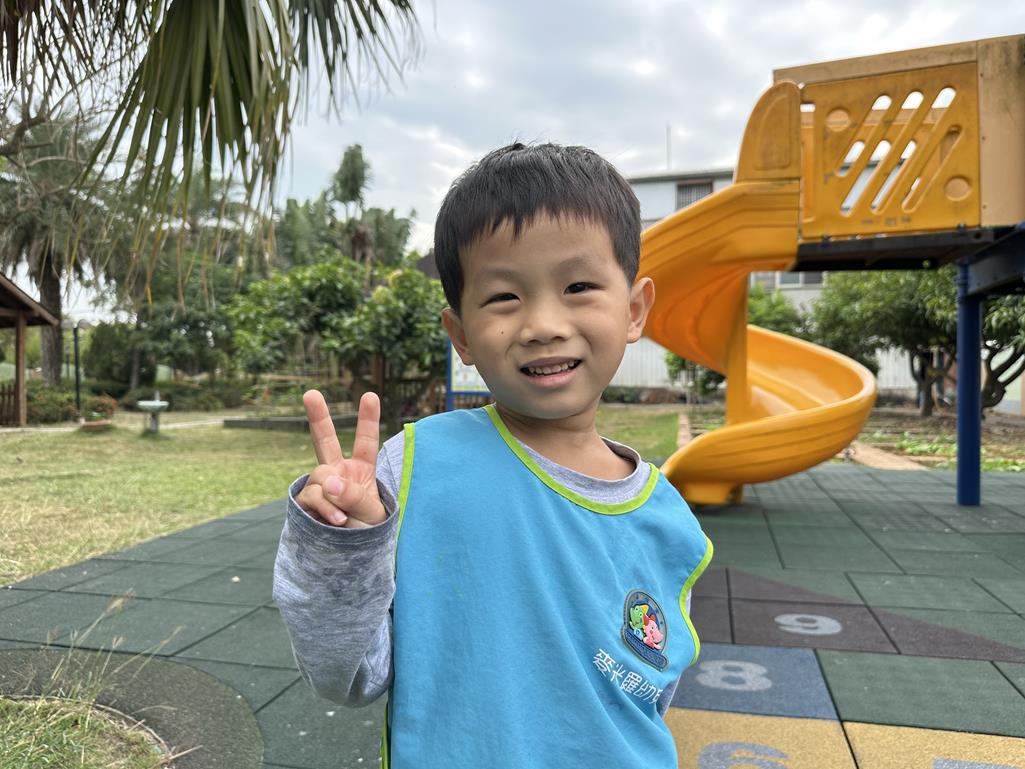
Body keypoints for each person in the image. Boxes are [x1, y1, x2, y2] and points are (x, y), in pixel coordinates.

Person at [273, 142, 713, 768]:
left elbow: (651, 693)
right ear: (462, 336)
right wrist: (342, 546)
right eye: (504, 297)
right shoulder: (415, 468)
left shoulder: (670, 524)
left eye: (579, 286)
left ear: (635, 310)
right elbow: (348, 676)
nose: (543, 324)